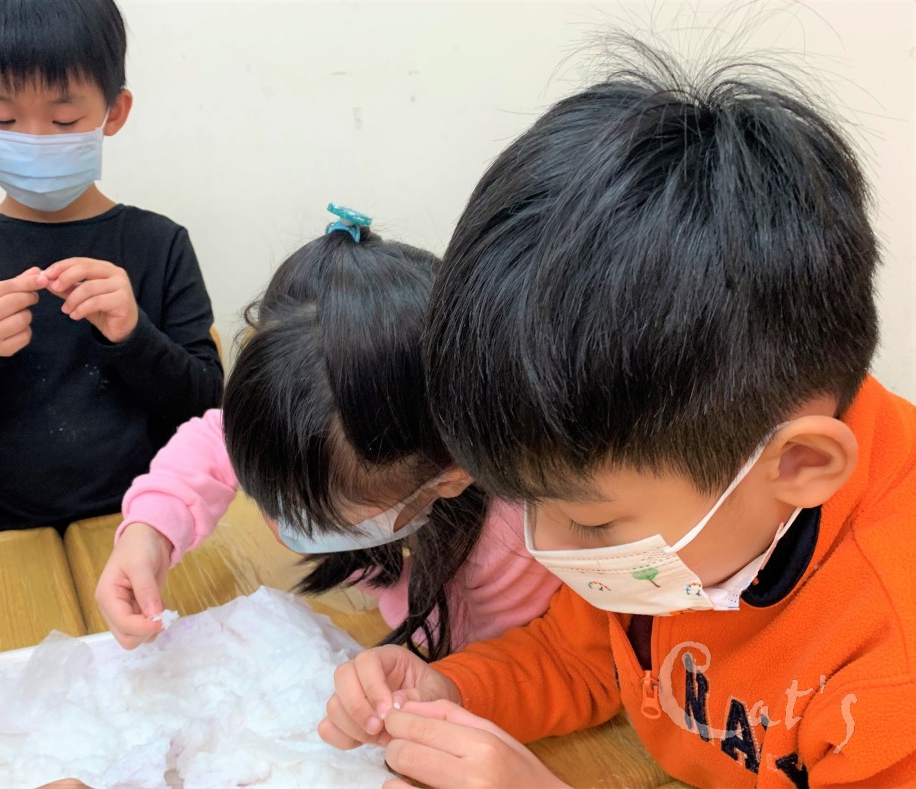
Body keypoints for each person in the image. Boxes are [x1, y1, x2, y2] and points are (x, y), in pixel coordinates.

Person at [321, 50, 916, 787]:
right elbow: (580, 656)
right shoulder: (687, 486)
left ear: (799, 465)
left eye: (592, 523)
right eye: (528, 504)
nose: (546, 550)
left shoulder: (890, 659)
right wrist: (451, 691)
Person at [95, 207, 565, 659]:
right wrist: (149, 534)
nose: (280, 527)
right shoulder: (308, 413)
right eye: (273, 502)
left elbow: (484, 648)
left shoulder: (518, 539)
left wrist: (397, 593)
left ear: (450, 478)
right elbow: (212, 441)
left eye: (315, 519)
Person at [0, 0, 222, 538]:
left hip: (143, 524)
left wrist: (134, 336)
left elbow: (206, 406)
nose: (36, 140)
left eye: (64, 119)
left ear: (114, 111)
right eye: (3, 119)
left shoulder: (159, 244)